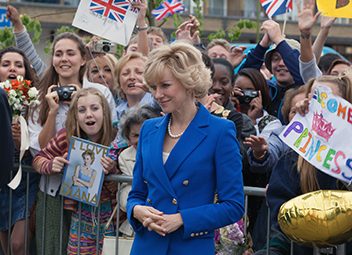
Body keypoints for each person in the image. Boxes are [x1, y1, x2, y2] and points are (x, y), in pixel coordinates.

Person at [126, 42, 244, 254]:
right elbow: (136, 193)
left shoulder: (220, 131)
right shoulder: (149, 129)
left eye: (165, 85)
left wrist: (182, 219)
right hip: (147, 245)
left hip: (190, 246)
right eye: (154, 87)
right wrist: (136, 210)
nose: (157, 94)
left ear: (188, 82)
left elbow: (233, 206)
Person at [27, 32, 116, 255]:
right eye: (58, 54)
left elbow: (112, 137)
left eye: (70, 53)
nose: (64, 59)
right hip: (54, 190)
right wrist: (53, 111)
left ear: (83, 58)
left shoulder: (100, 92)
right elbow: (39, 151)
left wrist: (109, 164)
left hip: (92, 195)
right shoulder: (41, 97)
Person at [249, 75, 352, 254]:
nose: (318, 105)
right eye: (313, 98)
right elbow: (279, 215)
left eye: (327, 99)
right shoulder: (293, 159)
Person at [33, 88, 118, 255]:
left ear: (105, 112)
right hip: (80, 217)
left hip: (111, 219)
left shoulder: (116, 141)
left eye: (94, 108)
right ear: (75, 116)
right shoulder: (66, 137)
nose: (88, 114)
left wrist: (112, 170)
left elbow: (125, 182)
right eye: (82, 110)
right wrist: (51, 165)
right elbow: (38, 159)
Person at [0, 47, 40, 255]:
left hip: (26, 179)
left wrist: (20, 141)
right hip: (2, 180)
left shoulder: (34, 102)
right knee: (6, 246)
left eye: (18, 64)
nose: (12, 69)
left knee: (18, 244)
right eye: (6, 64)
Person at [118, 105, 160, 236]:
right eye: (135, 135)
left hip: (162, 218)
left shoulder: (163, 152)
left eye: (145, 133)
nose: (140, 139)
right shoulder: (124, 156)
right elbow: (126, 195)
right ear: (128, 137)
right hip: (136, 222)